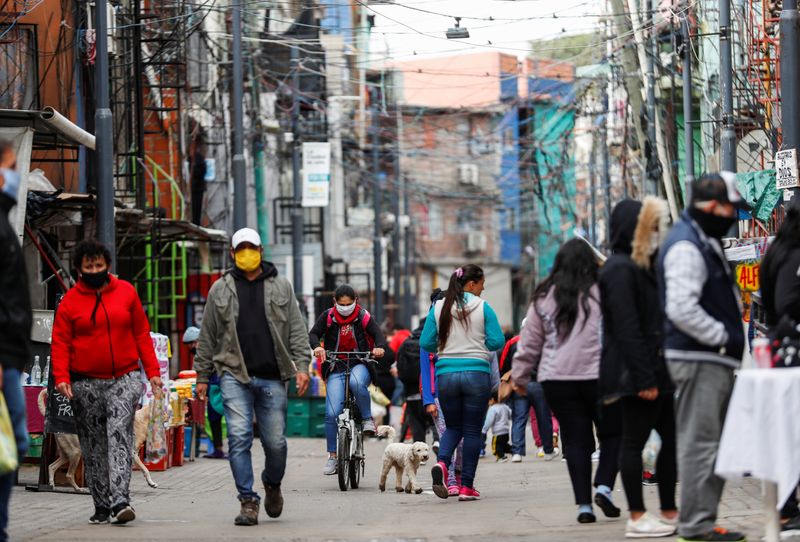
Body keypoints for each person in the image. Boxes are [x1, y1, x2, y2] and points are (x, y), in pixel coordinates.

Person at [194, 227, 310, 526]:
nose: (247, 253)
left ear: (261, 251)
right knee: (238, 438)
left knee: (275, 443)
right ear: (233, 254)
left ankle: (272, 483)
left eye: (252, 247)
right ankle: (248, 500)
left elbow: (297, 330)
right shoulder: (220, 288)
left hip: (273, 376)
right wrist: (202, 377)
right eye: (241, 248)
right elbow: (207, 335)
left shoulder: (281, 286)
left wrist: (302, 366)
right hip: (234, 375)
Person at [657, 173, 748, 542]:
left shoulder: (700, 238)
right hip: (701, 358)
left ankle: (704, 521)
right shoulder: (686, 245)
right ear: (713, 207)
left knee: (712, 443)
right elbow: (680, 308)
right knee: (701, 443)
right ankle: (696, 526)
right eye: (730, 208)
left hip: (710, 358)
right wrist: (723, 337)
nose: (733, 216)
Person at [51, 239, 162, 525]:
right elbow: (60, 342)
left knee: (118, 435)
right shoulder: (70, 303)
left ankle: (120, 500)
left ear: (108, 266)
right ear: (79, 270)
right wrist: (61, 377)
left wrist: (152, 372)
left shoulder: (126, 293)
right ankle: (101, 503)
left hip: (124, 378)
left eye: (99, 265)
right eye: (89, 266)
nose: (95, 270)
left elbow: (141, 333)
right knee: (93, 444)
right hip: (85, 383)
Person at [511, 238, 622, 524]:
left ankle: (584, 506)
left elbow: (530, 343)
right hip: (599, 376)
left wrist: (520, 377)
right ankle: (605, 486)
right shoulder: (603, 291)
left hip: (556, 379)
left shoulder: (544, 296)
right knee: (613, 433)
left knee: (576, 440)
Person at [599, 198, 677, 538]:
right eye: (652, 229)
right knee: (634, 442)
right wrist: (644, 376)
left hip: (657, 368)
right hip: (634, 372)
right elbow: (628, 327)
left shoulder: (642, 266)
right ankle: (637, 514)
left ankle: (669, 509)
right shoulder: (618, 268)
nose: (657, 235)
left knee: (672, 438)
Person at [421, 264, 505, 501]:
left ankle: (442, 464)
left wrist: (446, 348)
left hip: (446, 376)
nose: (482, 289)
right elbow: (497, 340)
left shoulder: (438, 307)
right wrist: (477, 347)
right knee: (471, 431)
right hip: (476, 375)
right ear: (471, 284)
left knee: (454, 427)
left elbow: (426, 343)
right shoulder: (483, 306)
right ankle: (466, 486)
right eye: (481, 285)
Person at [309, 284, 386, 476]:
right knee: (331, 412)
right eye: (341, 304)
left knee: (356, 383)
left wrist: (379, 347)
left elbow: (377, 334)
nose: (345, 307)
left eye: (349, 303)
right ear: (334, 302)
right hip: (336, 364)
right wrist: (316, 347)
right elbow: (313, 334)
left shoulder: (363, 316)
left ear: (356, 301)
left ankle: (367, 419)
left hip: (360, 362)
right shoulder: (328, 316)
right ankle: (333, 456)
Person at [761, 198, 800, 532]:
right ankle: (787, 509)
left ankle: (787, 507)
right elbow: (788, 305)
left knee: (788, 433)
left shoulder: (778, 251)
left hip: (781, 355)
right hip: (793, 356)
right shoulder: (793, 256)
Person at [0, 141, 30, 541]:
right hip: (2, 358)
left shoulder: (4, 222)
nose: (13, 175)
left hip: (9, 358)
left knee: (12, 447)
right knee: (12, 446)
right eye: (8, 166)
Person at [501, 321, 558, 463]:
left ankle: (517, 452)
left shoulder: (512, 342)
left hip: (519, 383)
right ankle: (548, 450)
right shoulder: (542, 341)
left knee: (519, 418)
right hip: (538, 383)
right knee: (543, 417)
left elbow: (503, 363)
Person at [183, 326, 226, 459]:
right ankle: (218, 449)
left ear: (196, 341)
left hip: (216, 385)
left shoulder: (208, 349)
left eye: (191, 344)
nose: (190, 347)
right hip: (212, 385)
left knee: (223, 415)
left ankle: (228, 449)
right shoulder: (202, 351)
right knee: (214, 418)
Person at [397, 320, 428, 443]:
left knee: (416, 421)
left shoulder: (406, 342)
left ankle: (419, 451)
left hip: (410, 390)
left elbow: (399, 365)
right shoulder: (431, 342)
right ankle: (438, 442)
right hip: (428, 389)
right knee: (434, 420)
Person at [482, 392, 512, 462]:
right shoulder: (505, 406)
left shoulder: (493, 409)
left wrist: (484, 430)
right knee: (503, 445)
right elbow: (510, 414)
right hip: (506, 431)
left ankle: (502, 457)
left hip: (497, 433)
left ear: (492, 399)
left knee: (495, 447)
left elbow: (489, 421)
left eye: (488, 400)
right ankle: (513, 450)